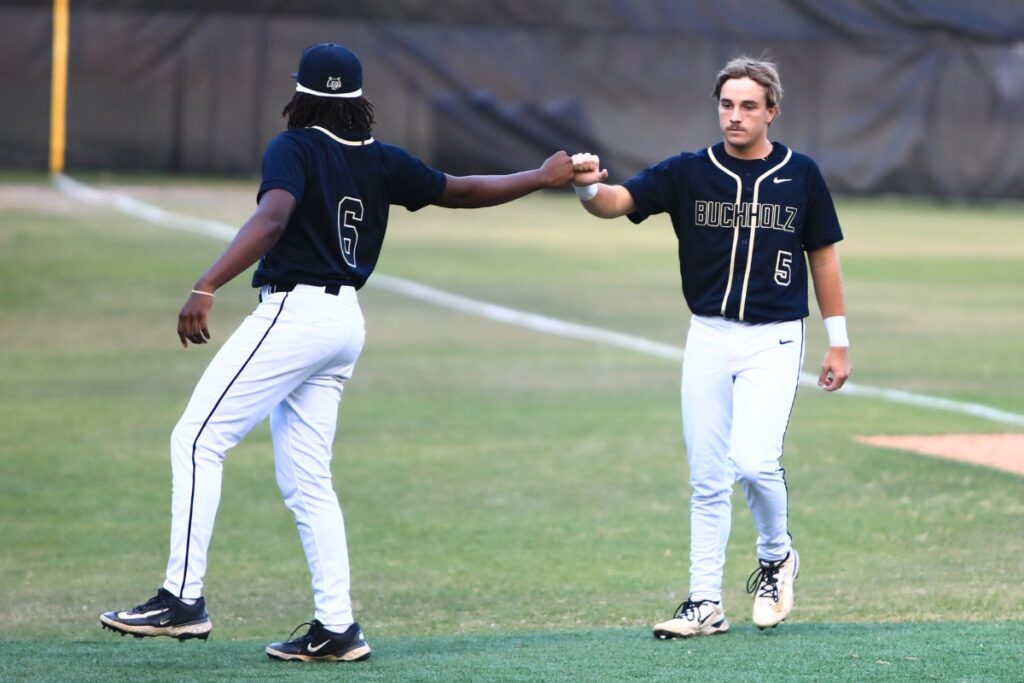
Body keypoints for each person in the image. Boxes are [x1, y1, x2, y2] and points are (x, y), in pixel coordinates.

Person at [100, 42, 574, 662]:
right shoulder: (380, 159)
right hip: (343, 321)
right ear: (355, 98)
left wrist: (206, 284)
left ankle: (181, 601)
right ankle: (336, 627)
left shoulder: (292, 147)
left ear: (302, 94)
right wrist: (540, 177)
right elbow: (458, 191)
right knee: (307, 481)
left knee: (196, 441)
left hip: (294, 314)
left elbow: (273, 219)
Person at [570, 56, 851, 638]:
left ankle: (778, 556)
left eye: (749, 105)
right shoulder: (688, 172)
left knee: (752, 460)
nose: (735, 116)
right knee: (706, 476)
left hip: (774, 337)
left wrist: (839, 341)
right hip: (708, 334)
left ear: (772, 111)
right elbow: (617, 201)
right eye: (727, 104)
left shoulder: (802, 176)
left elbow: (822, 255)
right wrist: (587, 185)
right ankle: (705, 603)